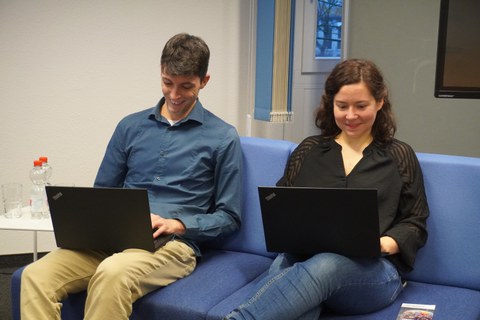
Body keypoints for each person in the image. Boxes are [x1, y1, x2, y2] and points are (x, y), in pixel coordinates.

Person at [21, 33, 243, 320]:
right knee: (35, 276)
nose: (174, 96)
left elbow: (230, 216)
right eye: (167, 83)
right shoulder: (130, 126)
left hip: (172, 246)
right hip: (110, 239)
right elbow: (102, 193)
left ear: (204, 81)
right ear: (161, 74)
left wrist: (178, 224)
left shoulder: (222, 137)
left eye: (186, 86)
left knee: (112, 274)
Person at [225, 59, 429, 320]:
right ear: (330, 103)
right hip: (303, 260)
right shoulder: (309, 150)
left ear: (380, 102)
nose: (350, 116)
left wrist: (379, 245)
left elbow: (415, 221)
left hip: (374, 272)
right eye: (342, 106)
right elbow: (281, 204)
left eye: (361, 106)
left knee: (325, 265)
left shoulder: (399, 155)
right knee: (284, 268)